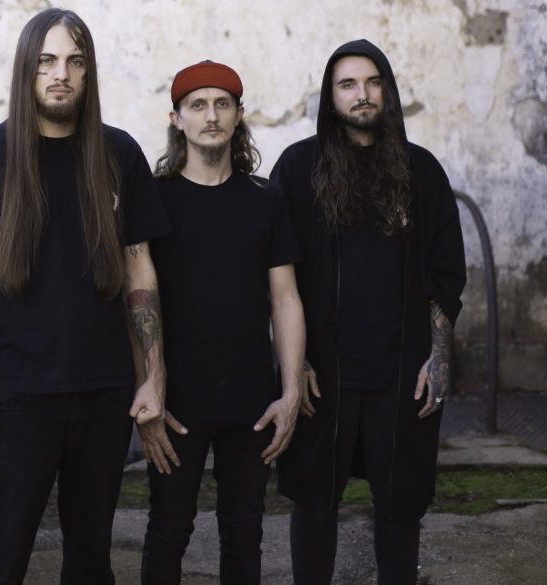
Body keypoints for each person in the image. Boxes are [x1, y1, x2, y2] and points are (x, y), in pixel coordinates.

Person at [0, 8, 170, 584]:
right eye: (46, 61)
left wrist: (153, 376)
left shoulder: (119, 155)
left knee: (91, 560)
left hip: (104, 394)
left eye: (74, 61)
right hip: (18, 396)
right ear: (27, 70)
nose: (60, 74)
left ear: (88, 72)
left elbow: (139, 270)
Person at [270, 39, 466, 585]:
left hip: (400, 372)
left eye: (373, 82)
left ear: (388, 90)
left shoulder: (421, 170)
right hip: (322, 373)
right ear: (330, 96)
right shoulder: (299, 167)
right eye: (348, 84)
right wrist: (294, 362)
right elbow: (275, 272)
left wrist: (439, 356)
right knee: (314, 504)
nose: (362, 94)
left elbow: (446, 270)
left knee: (400, 505)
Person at [139, 61, 306, 585]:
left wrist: (291, 392)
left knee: (244, 534)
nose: (210, 115)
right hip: (176, 405)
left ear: (238, 114)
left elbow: (285, 299)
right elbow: (137, 302)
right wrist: (146, 394)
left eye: (222, 104)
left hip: (250, 403)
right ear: (176, 118)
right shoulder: (154, 198)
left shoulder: (266, 199)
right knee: (168, 531)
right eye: (197, 105)